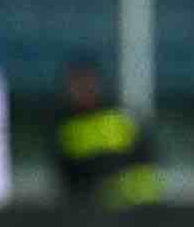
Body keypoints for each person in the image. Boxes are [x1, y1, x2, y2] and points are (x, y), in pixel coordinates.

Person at [52, 59, 162, 208]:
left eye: (88, 83)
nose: (83, 90)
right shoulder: (64, 126)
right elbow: (67, 175)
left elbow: (146, 160)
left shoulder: (121, 116)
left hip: (134, 205)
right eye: (77, 85)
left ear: (98, 84)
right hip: (90, 207)